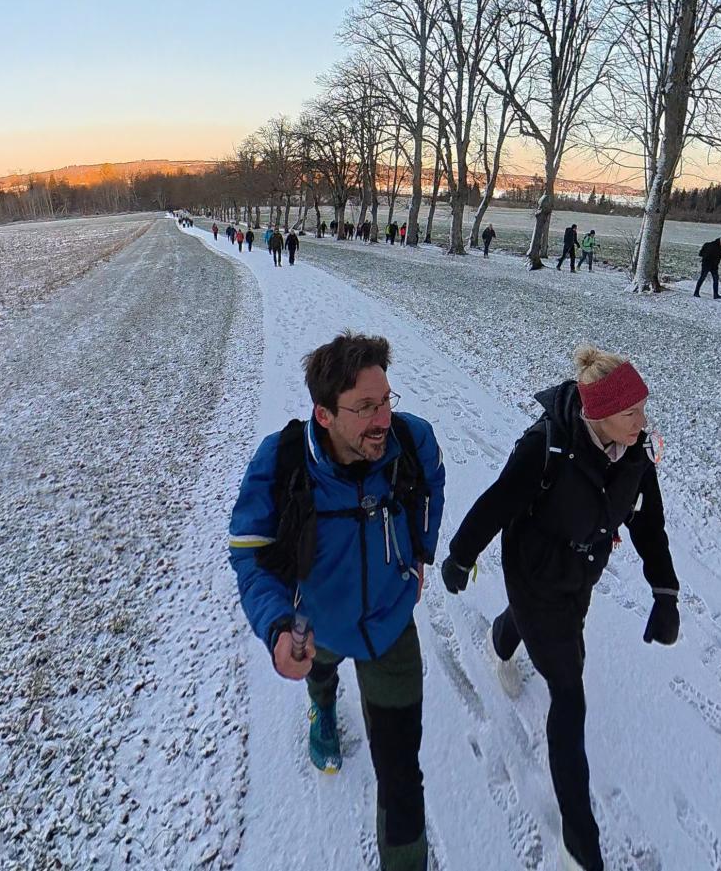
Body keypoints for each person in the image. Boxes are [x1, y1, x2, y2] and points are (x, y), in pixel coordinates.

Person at [440, 345, 680, 871]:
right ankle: (578, 840)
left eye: (643, 408)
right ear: (599, 413)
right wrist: (460, 556)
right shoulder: (546, 446)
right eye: (630, 412)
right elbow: (499, 501)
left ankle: (502, 638)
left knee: (544, 630)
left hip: (581, 571)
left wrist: (665, 592)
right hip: (532, 568)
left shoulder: (636, 452)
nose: (642, 422)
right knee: (568, 692)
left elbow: (648, 524)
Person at [228, 334, 448, 871]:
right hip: (316, 620)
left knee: (400, 774)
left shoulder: (411, 441)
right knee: (320, 670)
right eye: (365, 407)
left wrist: (420, 554)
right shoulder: (282, 462)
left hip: (389, 625)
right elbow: (250, 554)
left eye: (386, 399)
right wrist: (277, 627)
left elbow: (432, 489)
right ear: (323, 415)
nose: (383, 419)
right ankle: (322, 708)